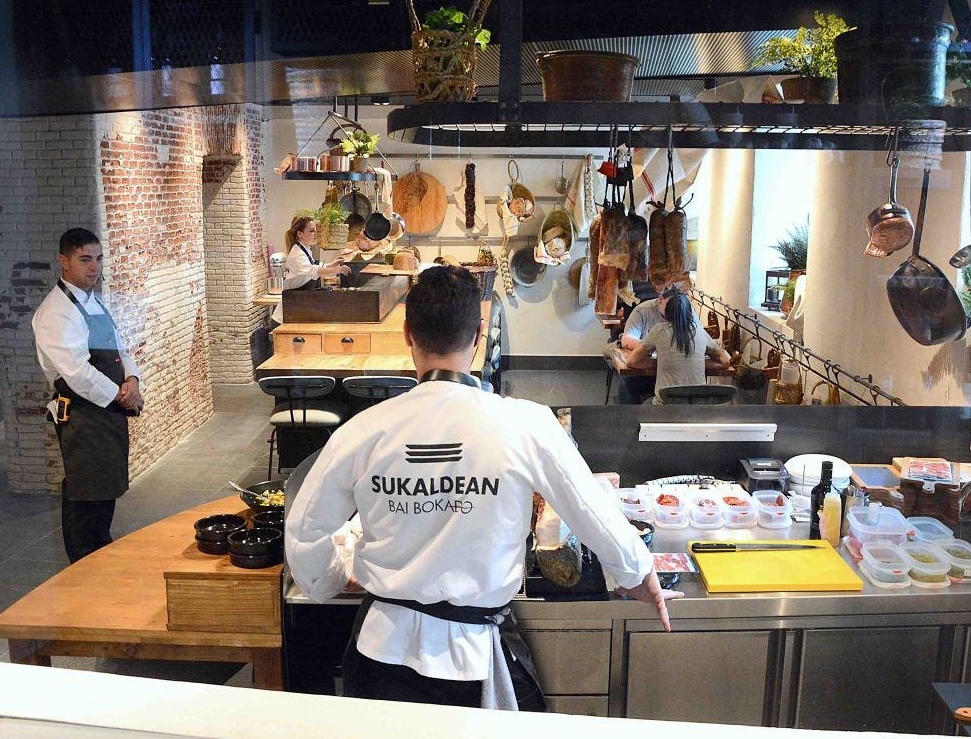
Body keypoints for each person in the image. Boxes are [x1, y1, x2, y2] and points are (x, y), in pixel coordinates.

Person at [284, 265, 680, 711]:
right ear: (477, 334)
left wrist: (331, 575)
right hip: (471, 662)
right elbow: (590, 508)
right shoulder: (525, 423)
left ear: (407, 333)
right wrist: (637, 572)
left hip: (379, 653)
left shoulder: (361, 431)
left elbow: (303, 537)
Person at [32, 228, 143, 563]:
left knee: (103, 490)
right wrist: (122, 396)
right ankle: (82, 564)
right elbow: (77, 373)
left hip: (107, 411)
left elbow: (118, 346)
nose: (94, 267)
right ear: (64, 261)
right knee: (86, 494)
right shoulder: (56, 312)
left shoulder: (91, 301)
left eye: (97, 259)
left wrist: (133, 378)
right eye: (84, 260)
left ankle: (100, 553)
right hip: (83, 414)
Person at [612, 287, 731, 404]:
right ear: (689, 312)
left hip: (666, 404)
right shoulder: (700, 332)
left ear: (667, 312)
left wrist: (664, 361)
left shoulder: (659, 330)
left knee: (641, 401)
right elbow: (725, 361)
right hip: (696, 406)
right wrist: (692, 361)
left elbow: (632, 362)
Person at [601, 274, 692, 404]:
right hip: (653, 363)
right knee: (629, 378)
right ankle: (629, 415)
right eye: (670, 306)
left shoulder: (685, 310)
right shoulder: (643, 311)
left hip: (675, 368)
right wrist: (655, 348)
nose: (674, 310)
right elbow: (628, 340)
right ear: (660, 299)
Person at [270, 214, 350, 324]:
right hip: (284, 319)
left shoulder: (305, 249)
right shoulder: (297, 254)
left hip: (296, 310)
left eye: (315, 230)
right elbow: (310, 270)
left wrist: (332, 264)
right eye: (312, 231)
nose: (315, 234)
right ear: (300, 234)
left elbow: (314, 266)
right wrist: (335, 270)